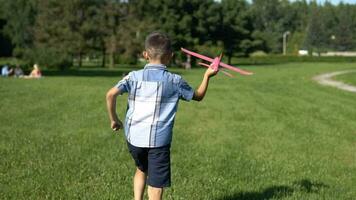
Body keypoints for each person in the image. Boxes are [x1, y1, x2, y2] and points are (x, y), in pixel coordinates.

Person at [106, 32, 217, 200]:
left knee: (142, 169)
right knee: (156, 186)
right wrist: (207, 76)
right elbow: (198, 95)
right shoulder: (175, 81)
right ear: (170, 56)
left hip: (134, 138)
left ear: (145, 54)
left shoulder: (133, 77)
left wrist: (114, 119)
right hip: (159, 141)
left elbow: (110, 95)